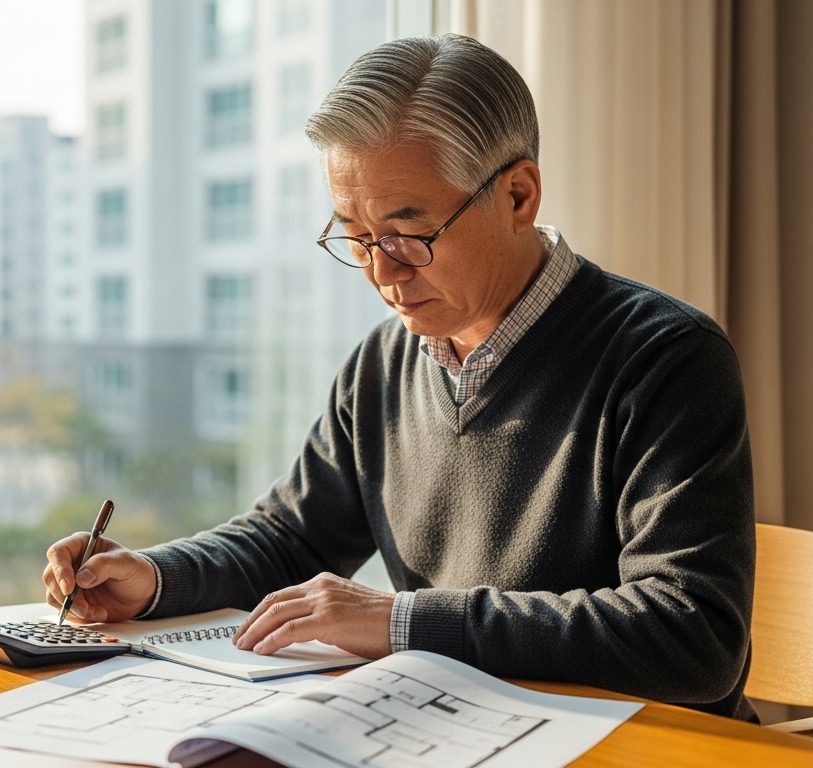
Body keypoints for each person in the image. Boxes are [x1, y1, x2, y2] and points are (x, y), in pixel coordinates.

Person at [43, 34, 756, 721]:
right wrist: (155, 578)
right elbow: (291, 540)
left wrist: (402, 621)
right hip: (454, 731)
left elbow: (692, 635)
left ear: (518, 196)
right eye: (355, 236)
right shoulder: (384, 363)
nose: (381, 272)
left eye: (408, 233)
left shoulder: (665, 357)